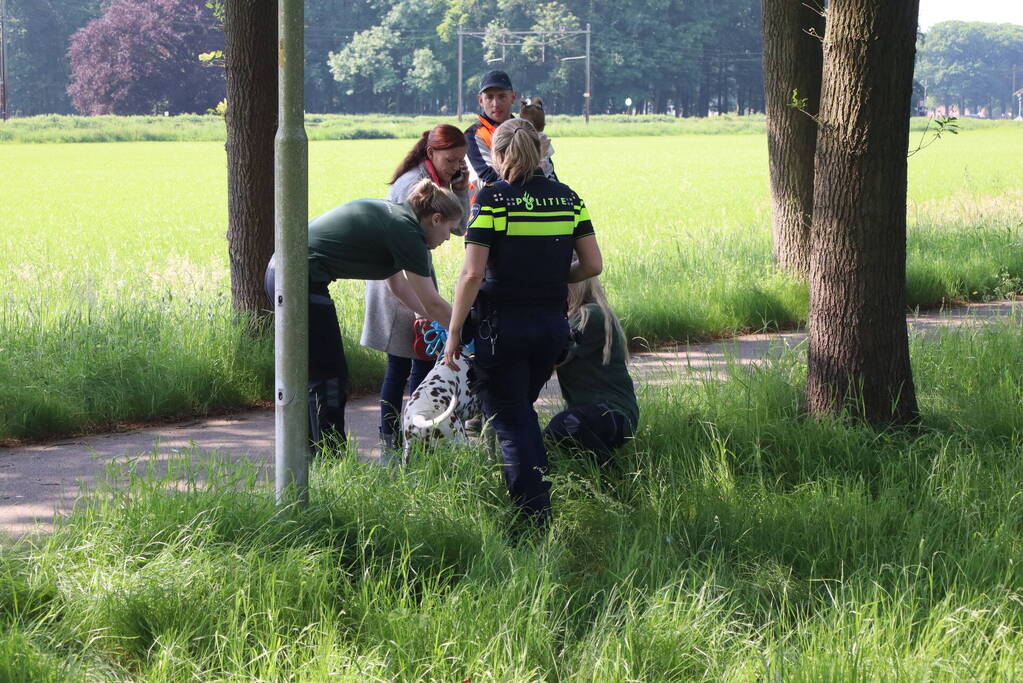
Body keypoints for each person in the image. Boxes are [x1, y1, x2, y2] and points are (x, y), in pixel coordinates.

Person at [443, 118, 602, 529]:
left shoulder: (493, 200)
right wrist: (549, 279)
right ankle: (533, 503)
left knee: (513, 423)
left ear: (497, 155)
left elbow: (472, 274)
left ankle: (534, 522)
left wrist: (455, 330)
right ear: (539, 152)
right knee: (520, 413)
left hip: (502, 330)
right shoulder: (568, 198)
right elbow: (592, 264)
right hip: (550, 330)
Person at [265, 180, 462, 451]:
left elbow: (399, 287)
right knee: (330, 376)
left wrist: (430, 317)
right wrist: (463, 330)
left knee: (318, 373)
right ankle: (328, 455)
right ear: (435, 218)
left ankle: (309, 454)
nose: (448, 238)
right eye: (449, 230)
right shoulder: (407, 231)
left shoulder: (396, 217)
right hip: (297, 279)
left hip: (285, 272)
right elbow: (432, 301)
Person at [361, 125, 470, 453]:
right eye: (451, 160)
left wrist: (461, 186)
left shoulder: (440, 179)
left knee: (420, 362)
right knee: (402, 365)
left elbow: (460, 225)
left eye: (460, 161)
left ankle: (417, 440)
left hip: (416, 274)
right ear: (431, 153)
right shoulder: (413, 183)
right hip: (399, 281)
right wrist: (425, 308)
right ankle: (393, 444)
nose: (455, 166)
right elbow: (406, 248)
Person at [545, 277, 639, 466]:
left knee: (560, 427)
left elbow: (551, 358)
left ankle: (614, 478)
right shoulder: (574, 318)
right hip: (594, 413)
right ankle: (595, 479)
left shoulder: (590, 315)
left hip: (613, 413)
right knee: (544, 444)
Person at [463, 71, 557, 207]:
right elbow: (491, 180)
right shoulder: (473, 135)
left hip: (530, 211)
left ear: (513, 97)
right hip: (489, 212)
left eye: (502, 96)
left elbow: (551, 178)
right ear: (480, 100)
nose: (495, 103)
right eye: (489, 97)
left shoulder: (527, 129)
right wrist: (537, 161)